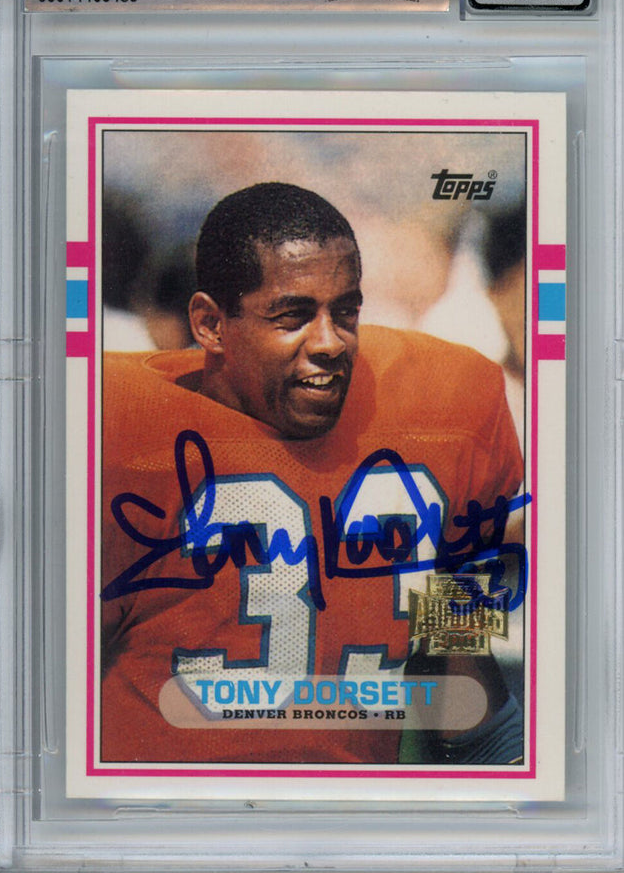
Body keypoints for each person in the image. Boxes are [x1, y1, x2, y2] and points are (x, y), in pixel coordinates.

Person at [101, 182, 524, 766]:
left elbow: (469, 696)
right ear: (210, 324)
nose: (330, 342)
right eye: (292, 315)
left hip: (345, 813)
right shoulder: (114, 429)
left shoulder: (449, 412)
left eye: (345, 311)